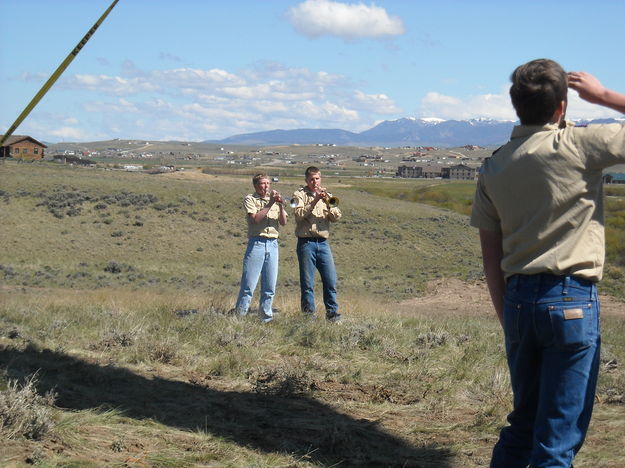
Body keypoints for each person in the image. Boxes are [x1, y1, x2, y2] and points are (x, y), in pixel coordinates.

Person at [470, 58, 625, 468]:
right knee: (556, 439)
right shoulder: (578, 145)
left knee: (522, 426)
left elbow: (491, 257)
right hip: (571, 298)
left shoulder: (494, 165)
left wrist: (509, 317)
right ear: (562, 107)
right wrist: (606, 96)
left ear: (515, 105)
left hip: (518, 300)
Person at [234, 173, 287, 323]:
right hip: (257, 243)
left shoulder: (275, 201)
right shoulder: (250, 199)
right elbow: (255, 219)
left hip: (273, 244)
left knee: (270, 286)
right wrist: (270, 204)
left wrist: (281, 205)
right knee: (248, 285)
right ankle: (240, 317)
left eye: (268, 183)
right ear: (256, 186)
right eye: (263, 184)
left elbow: (283, 222)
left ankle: (266, 318)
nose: (266, 187)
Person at [292, 166, 342, 321]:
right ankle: (308, 315)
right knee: (307, 283)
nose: (315, 182)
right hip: (306, 243)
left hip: (323, 243)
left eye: (317, 178)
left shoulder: (329, 196)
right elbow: (298, 214)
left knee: (330, 280)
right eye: (312, 179)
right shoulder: (298, 195)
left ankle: (332, 313)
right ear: (306, 180)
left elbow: (337, 216)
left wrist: (327, 202)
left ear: (321, 179)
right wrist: (314, 201)